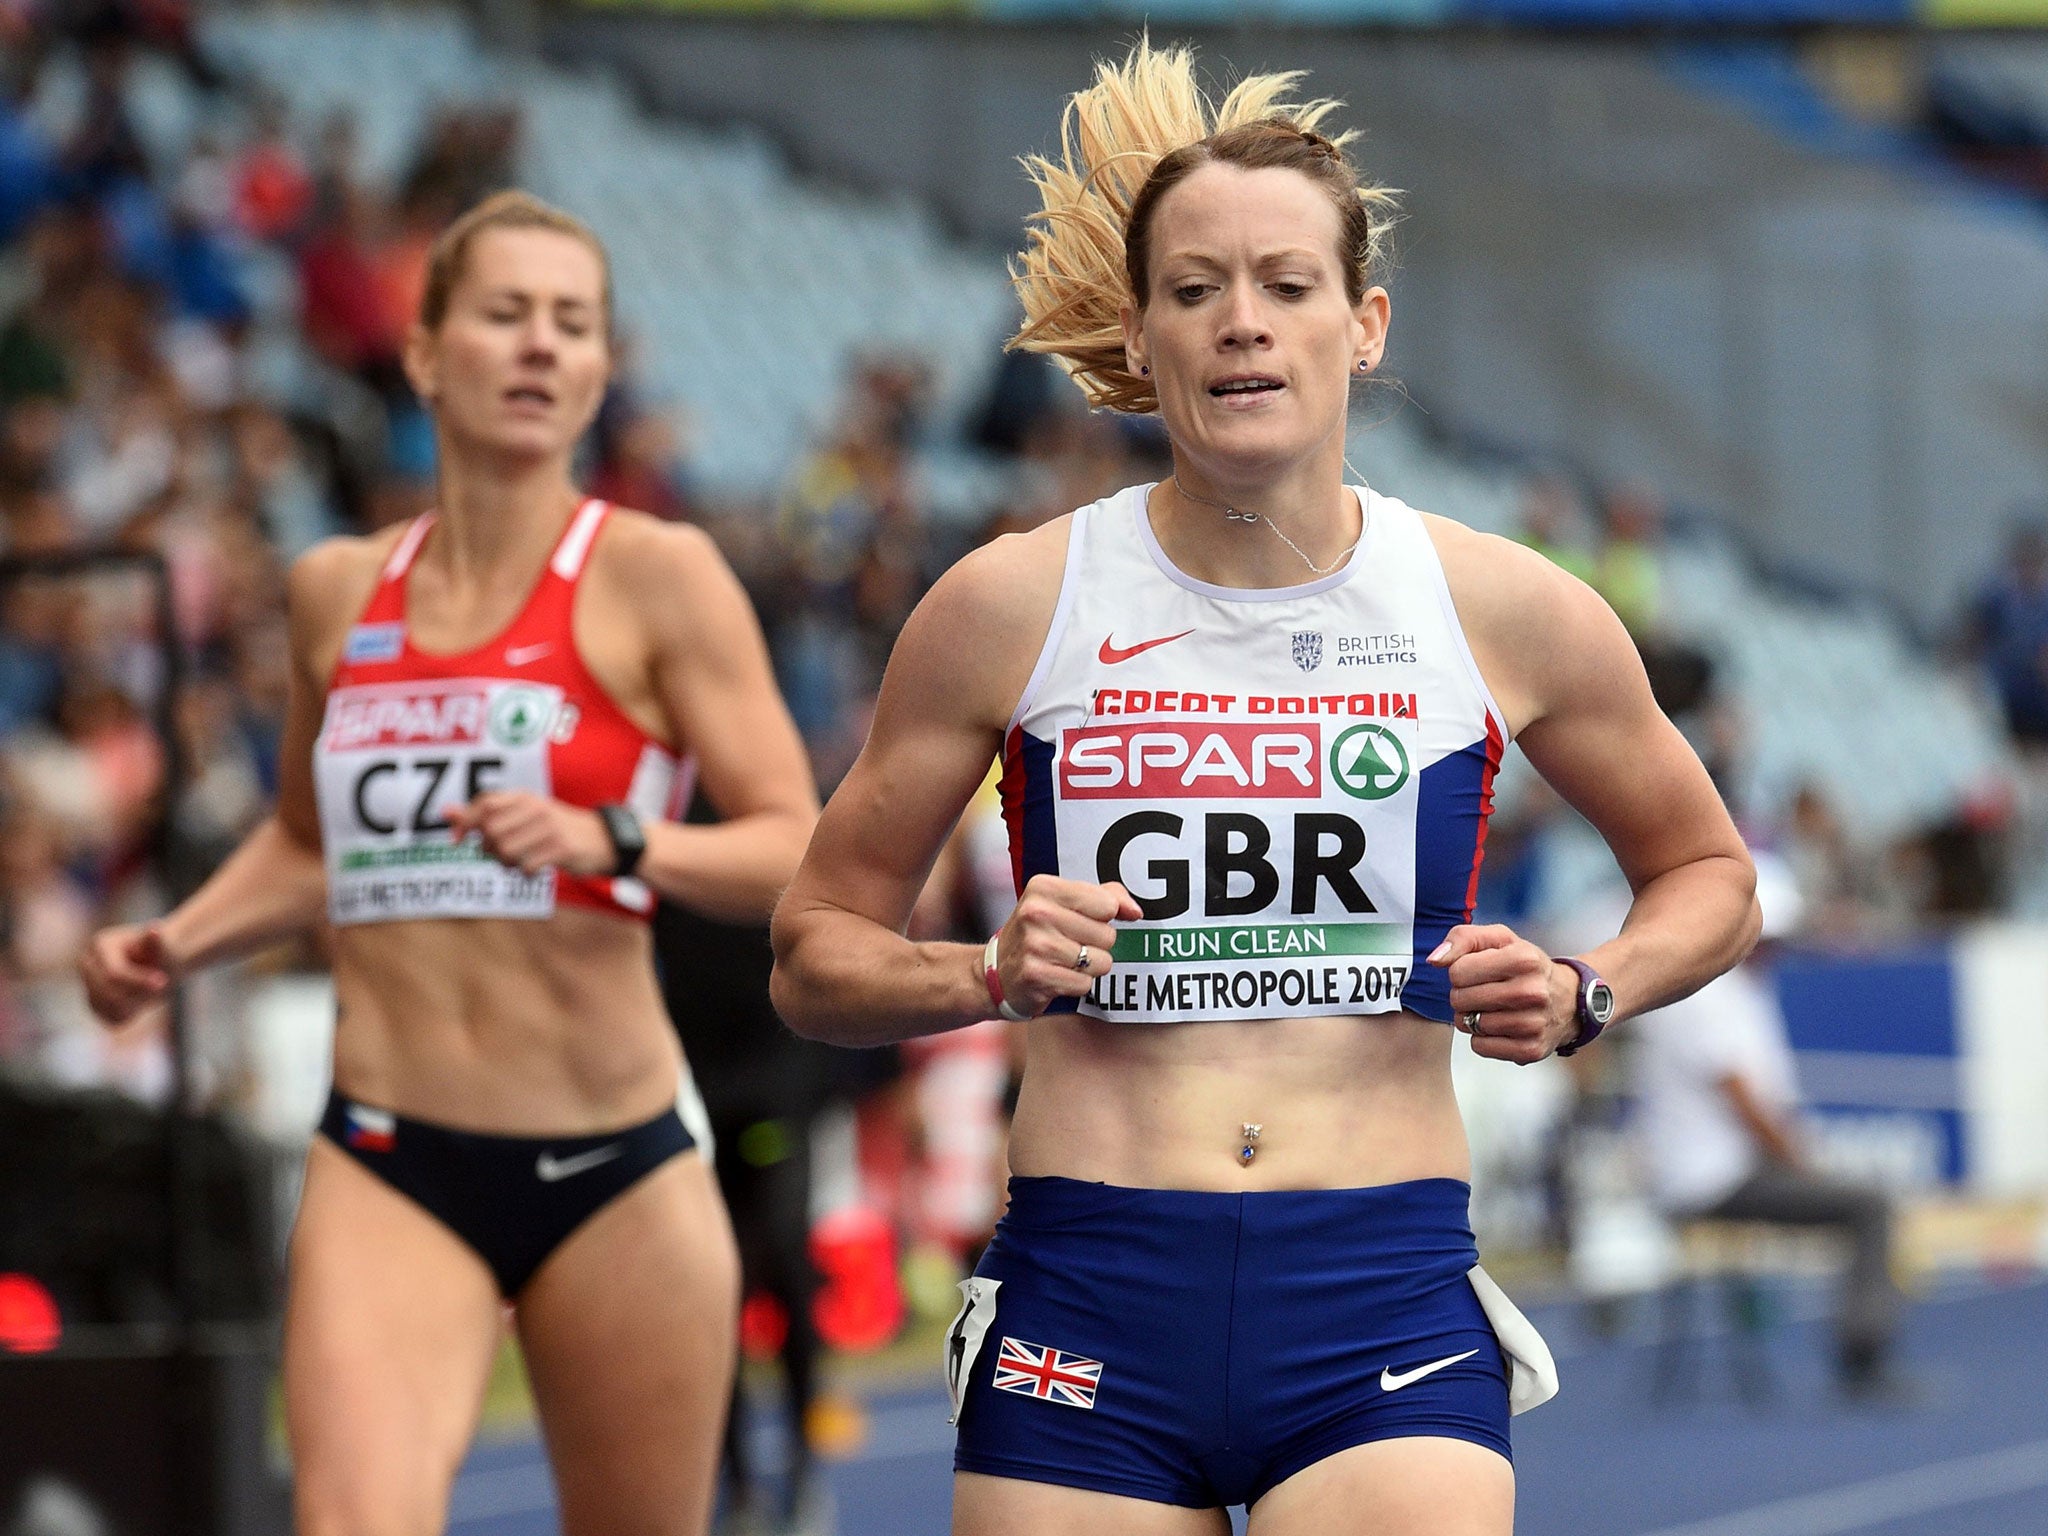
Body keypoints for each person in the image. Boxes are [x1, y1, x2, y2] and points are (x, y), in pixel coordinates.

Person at [771, 43, 1757, 1536]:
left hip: (1376, 1288)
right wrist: (985, 969)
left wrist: (1585, 990)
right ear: (1140, 330)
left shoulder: (1499, 606)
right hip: (1090, 1288)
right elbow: (812, 953)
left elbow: (1713, 877)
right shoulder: (1009, 606)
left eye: (1287, 285)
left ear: (1362, 327)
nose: (1242, 324)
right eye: (1196, 289)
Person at [80, 191, 818, 1536]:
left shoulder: (660, 576)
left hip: (617, 1162)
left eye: (572, 323)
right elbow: (312, 843)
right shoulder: (333, 592)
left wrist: (618, 838)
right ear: (425, 354)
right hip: (390, 1152)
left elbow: (798, 849)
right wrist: (174, 941)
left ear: (600, 369)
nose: (540, 346)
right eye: (505, 314)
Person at [1630, 856, 1906, 1399]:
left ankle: (1862, 1353)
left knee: (1865, 1201)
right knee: (1871, 1205)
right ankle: (1862, 1358)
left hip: (1726, 1172)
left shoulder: (1734, 991)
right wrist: (1803, 1160)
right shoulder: (1710, 996)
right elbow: (1746, 1106)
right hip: (1711, 1182)